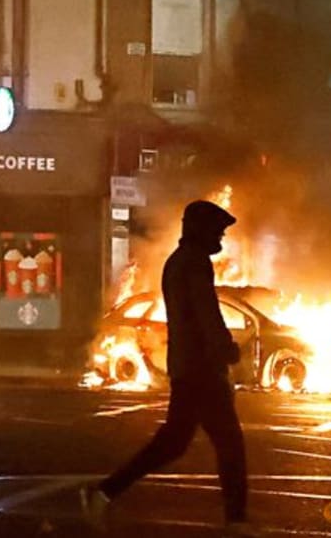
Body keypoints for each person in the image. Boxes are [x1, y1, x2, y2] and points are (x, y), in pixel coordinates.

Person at [82, 200, 252, 535]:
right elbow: (206, 313)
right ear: (200, 229)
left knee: (173, 442)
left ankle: (103, 492)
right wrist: (225, 348)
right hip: (202, 369)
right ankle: (236, 521)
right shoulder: (194, 263)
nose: (221, 235)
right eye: (217, 229)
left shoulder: (178, 262)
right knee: (229, 443)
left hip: (187, 367)